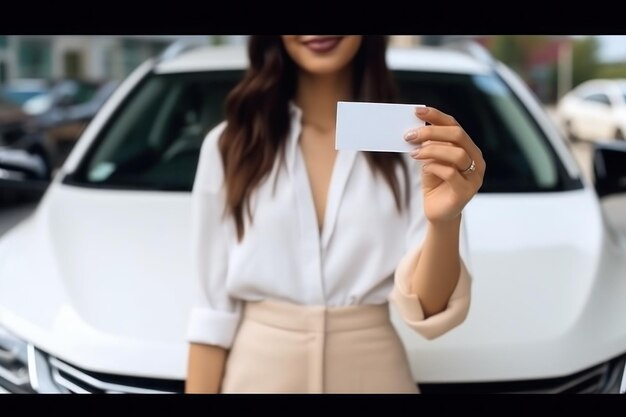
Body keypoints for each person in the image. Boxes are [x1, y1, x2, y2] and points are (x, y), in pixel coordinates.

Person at [185, 35, 485, 394]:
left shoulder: (412, 146)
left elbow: (429, 308)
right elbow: (211, 315)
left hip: (375, 376)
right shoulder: (230, 146)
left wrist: (445, 221)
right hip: (254, 376)